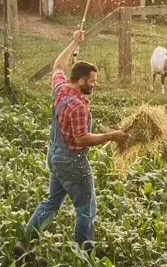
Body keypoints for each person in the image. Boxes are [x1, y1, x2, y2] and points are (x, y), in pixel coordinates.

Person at [25, 29, 126, 250]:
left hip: (54, 156)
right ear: (81, 81)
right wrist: (112, 136)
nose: (95, 84)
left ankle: (25, 240)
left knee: (51, 202)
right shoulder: (78, 105)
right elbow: (82, 139)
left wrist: (74, 42)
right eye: (92, 81)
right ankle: (85, 250)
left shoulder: (60, 88)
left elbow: (58, 65)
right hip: (72, 161)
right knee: (85, 208)